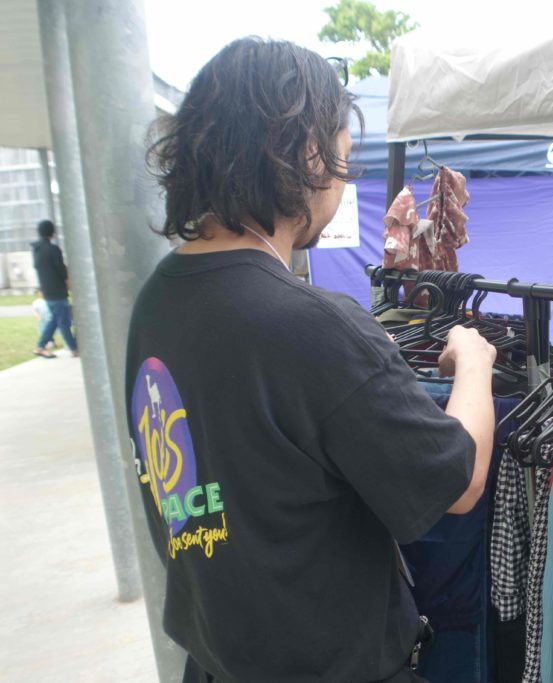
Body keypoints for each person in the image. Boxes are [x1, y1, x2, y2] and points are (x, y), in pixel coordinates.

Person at [132, 38, 497, 683]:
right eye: (343, 162)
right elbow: (458, 483)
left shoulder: (157, 298)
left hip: (215, 660)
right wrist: (474, 362)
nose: (342, 183)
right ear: (308, 154)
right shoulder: (311, 325)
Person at [31, 219, 78, 359]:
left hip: (47, 291)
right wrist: (69, 283)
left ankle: (40, 346)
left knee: (55, 320)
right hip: (58, 291)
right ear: (52, 231)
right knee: (63, 321)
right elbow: (61, 270)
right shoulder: (53, 249)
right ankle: (74, 349)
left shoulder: (36, 250)